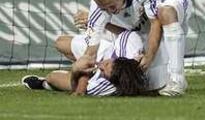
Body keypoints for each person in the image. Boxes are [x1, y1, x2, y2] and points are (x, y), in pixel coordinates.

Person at [72, 0, 192, 96]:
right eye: (105, 9)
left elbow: (155, 23)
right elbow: (90, 55)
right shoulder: (97, 9)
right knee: (152, 85)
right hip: (141, 25)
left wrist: (149, 57)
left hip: (170, 2)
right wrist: (79, 81)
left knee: (164, 12)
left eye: (112, 6)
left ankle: (177, 80)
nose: (110, 11)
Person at [22, 30, 168, 96]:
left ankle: (43, 85)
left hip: (92, 76)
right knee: (60, 43)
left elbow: (74, 89)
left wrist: (76, 71)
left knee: (51, 79)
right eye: (107, 64)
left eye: (104, 71)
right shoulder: (129, 44)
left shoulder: (102, 87)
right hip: (106, 49)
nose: (101, 66)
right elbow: (126, 32)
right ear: (120, 59)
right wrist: (102, 26)